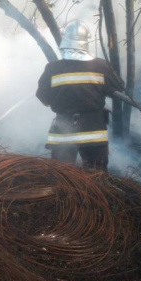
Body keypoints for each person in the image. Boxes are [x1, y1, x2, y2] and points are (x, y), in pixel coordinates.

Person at [36, 19, 120, 171]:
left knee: (62, 178)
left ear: (65, 41)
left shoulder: (53, 68)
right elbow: (118, 89)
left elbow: (43, 99)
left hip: (63, 133)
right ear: (86, 42)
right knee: (98, 180)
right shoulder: (101, 66)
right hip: (94, 132)